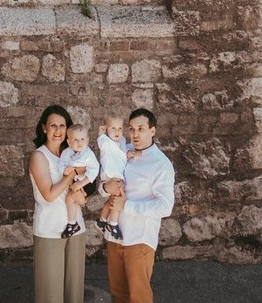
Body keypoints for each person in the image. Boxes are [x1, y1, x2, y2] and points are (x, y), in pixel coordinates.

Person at [100, 107, 175, 303]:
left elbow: (165, 207)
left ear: (152, 131)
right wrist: (106, 187)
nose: (134, 134)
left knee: (139, 297)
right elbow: (105, 183)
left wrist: (127, 206)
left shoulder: (161, 164)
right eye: (131, 129)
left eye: (140, 129)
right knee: (118, 295)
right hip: (115, 237)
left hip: (139, 240)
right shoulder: (121, 151)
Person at [29, 104, 88, 303]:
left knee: (74, 293)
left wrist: (82, 194)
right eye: (53, 125)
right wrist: (71, 174)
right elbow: (49, 194)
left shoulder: (72, 155)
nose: (58, 131)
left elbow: (82, 191)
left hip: (76, 227)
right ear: (44, 128)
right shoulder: (39, 156)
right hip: (50, 230)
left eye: (62, 126)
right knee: (51, 295)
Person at [58, 124, 99, 237]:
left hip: (87, 182)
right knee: (70, 197)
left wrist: (80, 184)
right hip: (75, 180)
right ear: (69, 142)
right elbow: (61, 164)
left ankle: (72, 224)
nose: (79, 142)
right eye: (75, 139)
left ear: (87, 140)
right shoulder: (66, 153)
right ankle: (73, 223)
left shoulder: (88, 155)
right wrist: (65, 171)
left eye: (82, 139)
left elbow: (94, 170)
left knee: (70, 197)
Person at [96, 113, 130, 239]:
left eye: (120, 128)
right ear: (106, 129)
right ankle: (113, 224)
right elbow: (101, 141)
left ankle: (102, 220)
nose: (117, 132)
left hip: (116, 174)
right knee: (118, 196)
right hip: (111, 174)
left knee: (111, 199)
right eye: (113, 128)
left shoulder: (121, 142)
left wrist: (129, 154)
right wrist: (101, 132)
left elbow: (122, 155)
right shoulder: (105, 141)